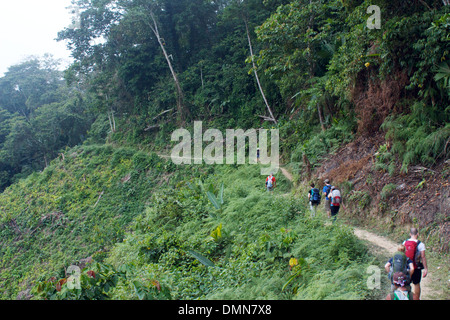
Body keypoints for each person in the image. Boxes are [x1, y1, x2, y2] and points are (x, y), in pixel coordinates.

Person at [403, 228, 428, 299]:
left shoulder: (405, 242)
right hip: (416, 267)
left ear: (410, 234)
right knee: (416, 284)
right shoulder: (420, 244)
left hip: (407, 267)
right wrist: (425, 268)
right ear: (418, 234)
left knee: (405, 284)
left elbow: (402, 255)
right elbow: (423, 257)